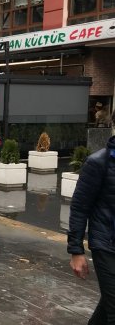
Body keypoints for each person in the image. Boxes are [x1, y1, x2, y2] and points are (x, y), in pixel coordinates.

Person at [67, 135, 115, 324]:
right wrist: (76, 250)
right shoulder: (98, 163)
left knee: (108, 307)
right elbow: (79, 207)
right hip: (106, 246)